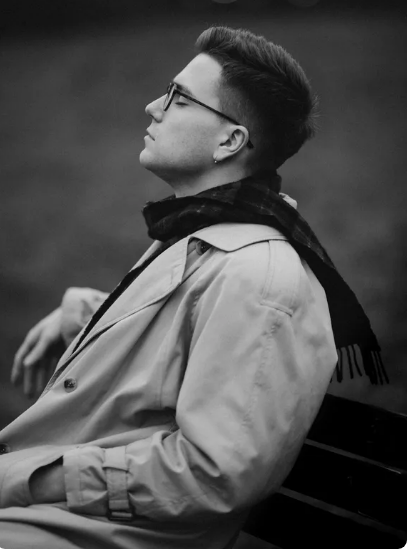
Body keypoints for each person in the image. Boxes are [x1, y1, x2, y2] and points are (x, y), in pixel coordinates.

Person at [0, 26, 385, 549]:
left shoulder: (258, 278)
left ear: (230, 141)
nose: (153, 106)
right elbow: (187, 334)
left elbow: (211, 475)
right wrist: (86, 311)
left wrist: (33, 479)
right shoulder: (206, 235)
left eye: (179, 98)